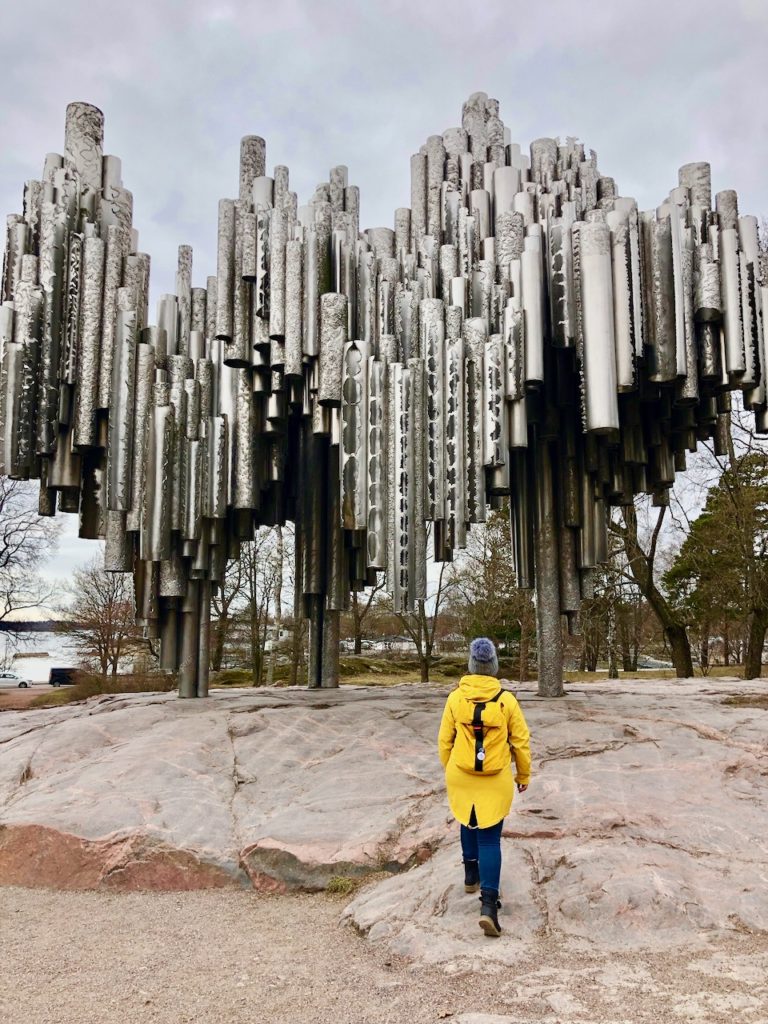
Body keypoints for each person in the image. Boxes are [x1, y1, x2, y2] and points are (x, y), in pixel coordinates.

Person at [437, 637, 531, 937]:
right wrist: (523, 775)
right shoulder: (506, 700)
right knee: (490, 838)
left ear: (471, 665)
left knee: (468, 818)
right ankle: (489, 905)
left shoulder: (455, 698)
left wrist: (450, 768)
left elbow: (444, 741)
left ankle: (470, 875)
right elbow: (520, 741)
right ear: (492, 667)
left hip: (461, 774)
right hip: (495, 778)